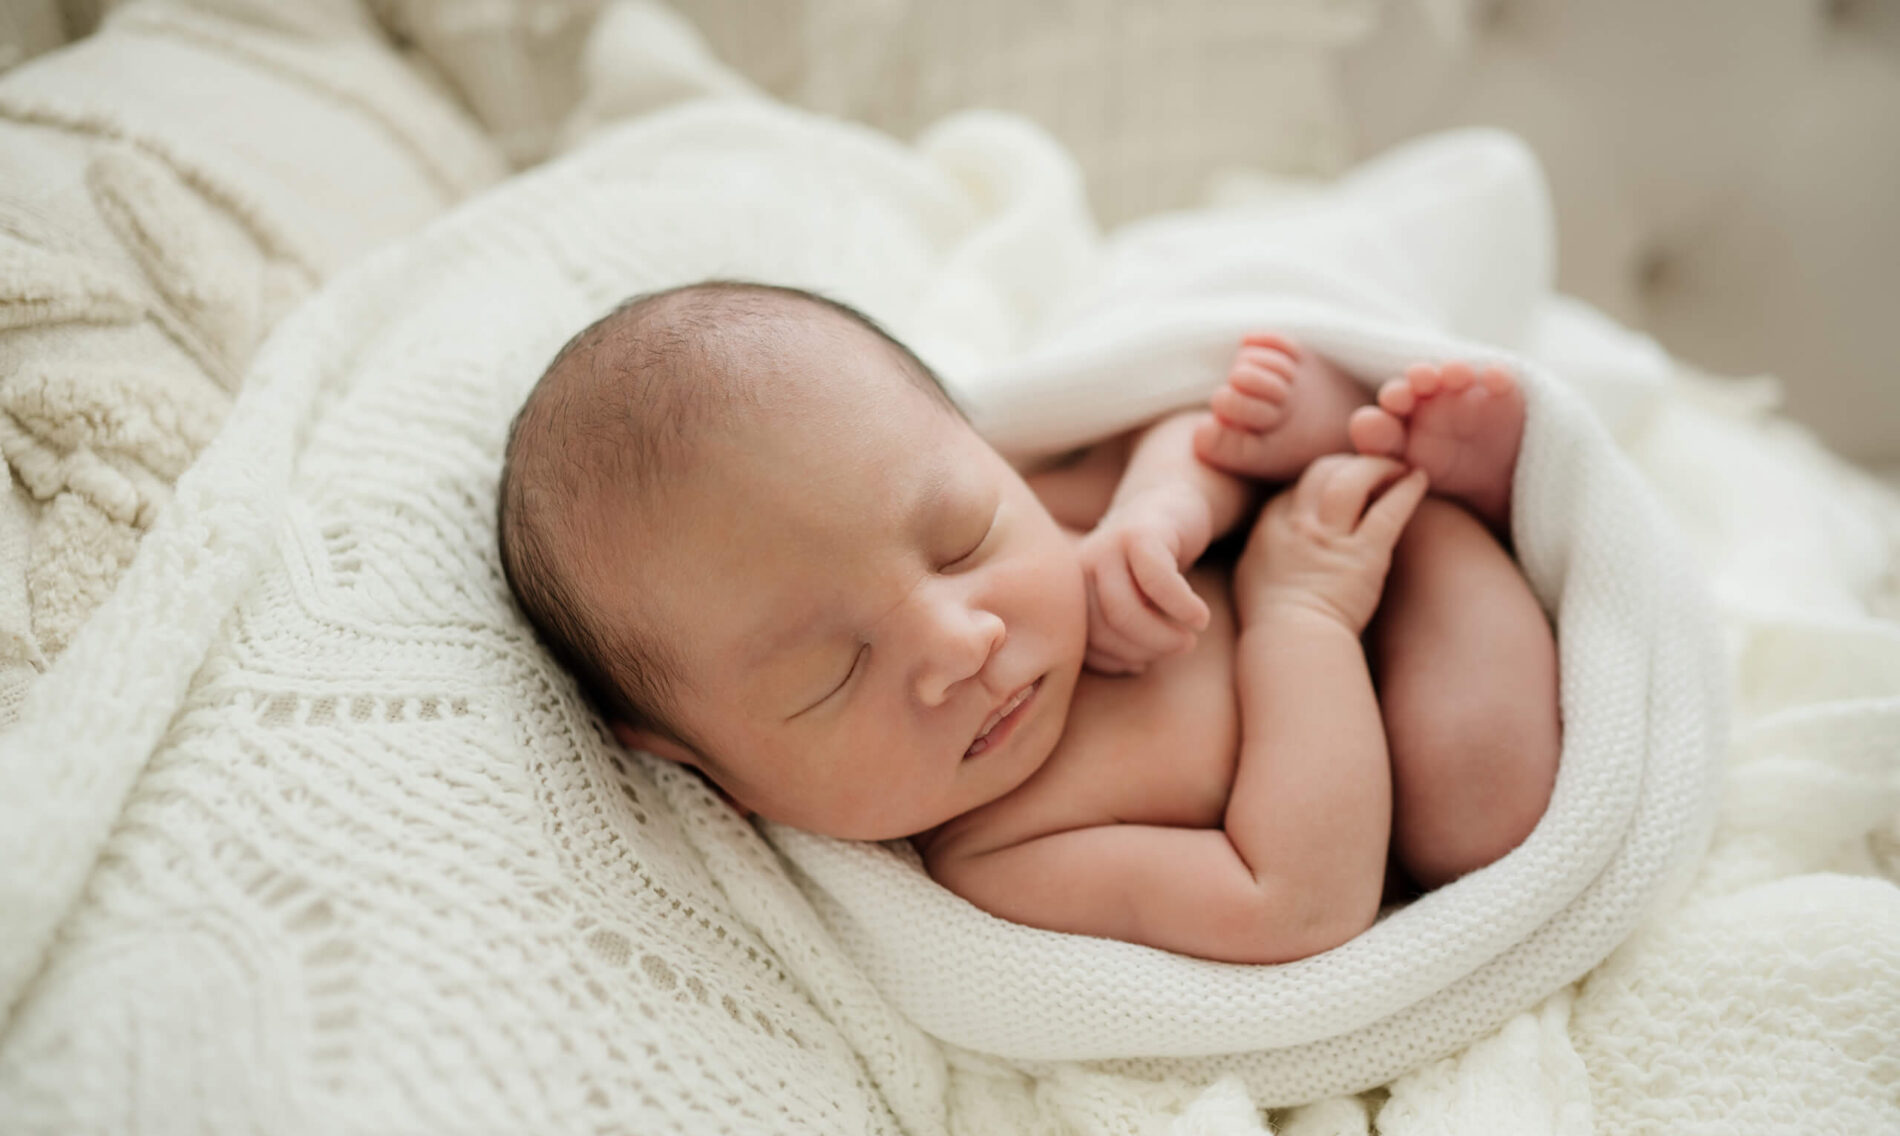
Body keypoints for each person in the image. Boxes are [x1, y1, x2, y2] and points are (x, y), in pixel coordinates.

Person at [497, 281, 1561, 964]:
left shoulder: (1047, 515)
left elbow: (1168, 424)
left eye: (961, 538)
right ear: (714, 772)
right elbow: (1294, 900)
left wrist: (1165, 504)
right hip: (1357, 645)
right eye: (832, 673)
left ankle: (1414, 457)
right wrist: (1302, 616)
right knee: (1478, 811)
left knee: (1247, 422)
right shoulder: (1005, 850)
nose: (961, 642)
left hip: (1347, 542)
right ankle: (1459, 499)